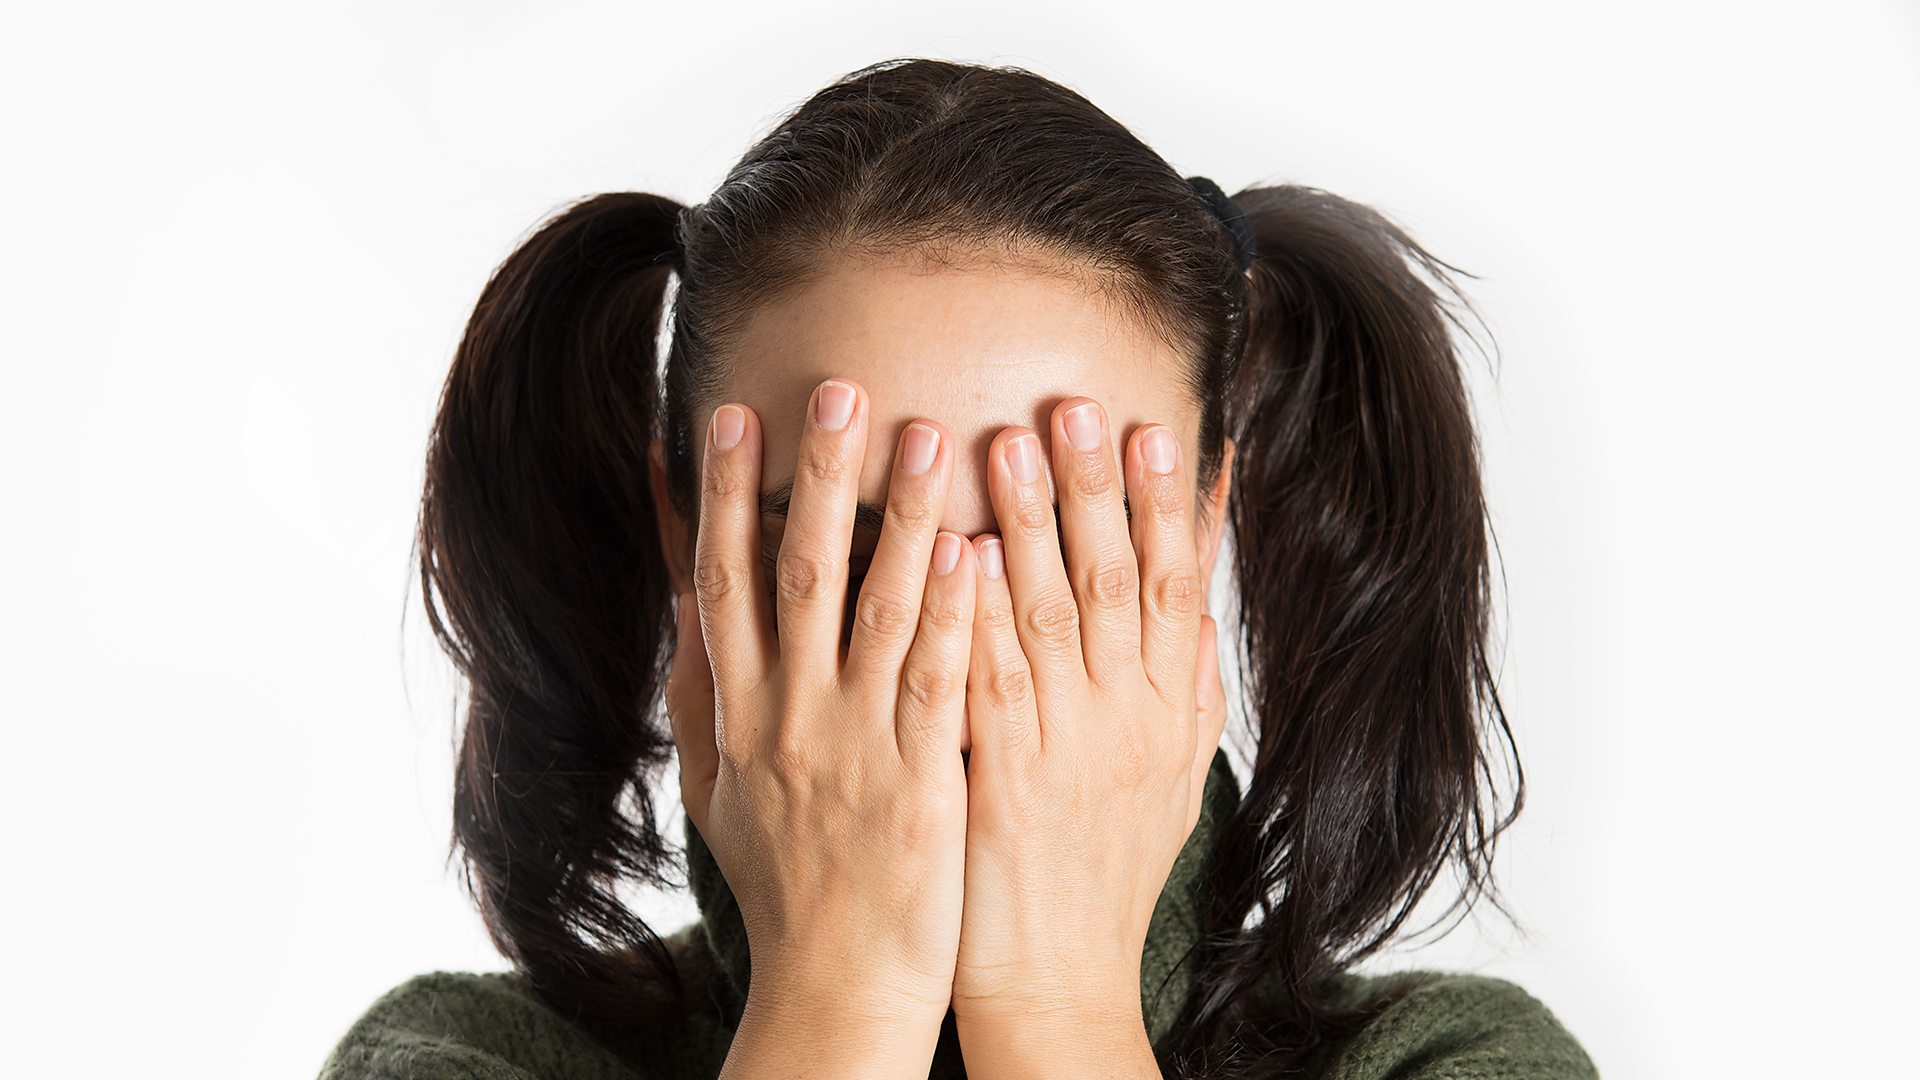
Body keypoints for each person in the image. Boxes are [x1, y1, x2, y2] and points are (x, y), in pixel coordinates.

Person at [319, 57, 1597, 1080]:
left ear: (1203, 529)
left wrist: (1052, 1000)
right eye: (855, 545)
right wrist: (839, 995)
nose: (955, 640)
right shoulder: (454, 1062)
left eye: (1061, 535)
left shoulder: (1451, 1063)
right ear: (685, 537)